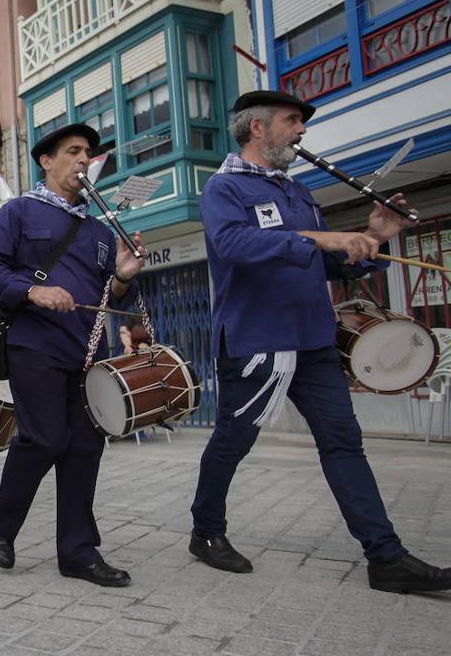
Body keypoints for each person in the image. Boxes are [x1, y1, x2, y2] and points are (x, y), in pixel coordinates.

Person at [189, 90, 451, 593]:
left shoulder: (298, 191)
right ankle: (206, 531)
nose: (302, 131)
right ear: (258, 128)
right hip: (256, 340)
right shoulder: (224, 189)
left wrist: (373, 237)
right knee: (233, 441)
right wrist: (321, 239)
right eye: (292, 121)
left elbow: (331, 263)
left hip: (311, 339)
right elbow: (234, 246)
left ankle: (385, 557)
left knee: (343, 442)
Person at [0, 122, 146, 587]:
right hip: (35, 343)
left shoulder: (100, 229)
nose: (82, 160)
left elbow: (112, 298)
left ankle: (77, 551)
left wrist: (125, 277)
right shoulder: (19, 211)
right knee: (45, 438)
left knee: (86, 447)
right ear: (46, 161)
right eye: (72, 151)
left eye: (88, 153)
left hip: (89, 350)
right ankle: (3, 521)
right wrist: (33, 291)